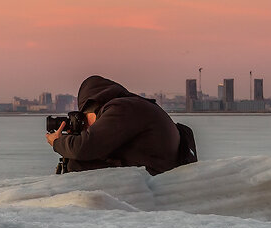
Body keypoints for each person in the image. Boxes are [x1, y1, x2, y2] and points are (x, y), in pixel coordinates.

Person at [46, 75, 181, 175]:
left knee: (77, 162)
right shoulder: (134, 105)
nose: (87, 126)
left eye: (85, 118)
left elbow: (84, 148)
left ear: (92, 105)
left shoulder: (121, 108)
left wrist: (57, 141)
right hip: (154, 169)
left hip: (151, 176)